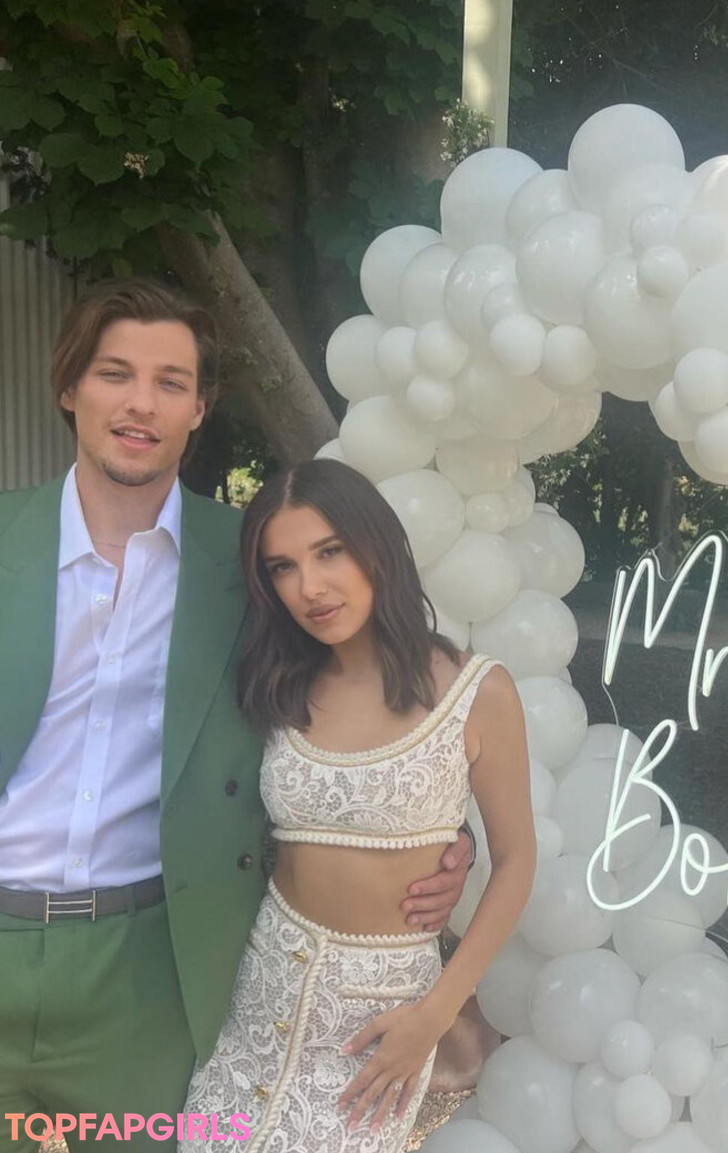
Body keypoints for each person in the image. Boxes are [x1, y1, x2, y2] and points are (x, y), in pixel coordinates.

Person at [0, 279, 472, 1153]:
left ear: (199, 408)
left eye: (171, 382)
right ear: (69, 386)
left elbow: (360, 695)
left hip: (147, 968)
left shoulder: (253, 564)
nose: (141, 403)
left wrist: (442, 832)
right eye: (115, 373)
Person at [180, 459, 536, 1152]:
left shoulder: (477, 691)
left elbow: (518, 861)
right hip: (258, 989)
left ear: (377, 545)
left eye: (330, 551)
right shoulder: (274, 683)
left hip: (379, 1026)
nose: (309, 587)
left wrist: (435, 1016)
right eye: (283, 567)